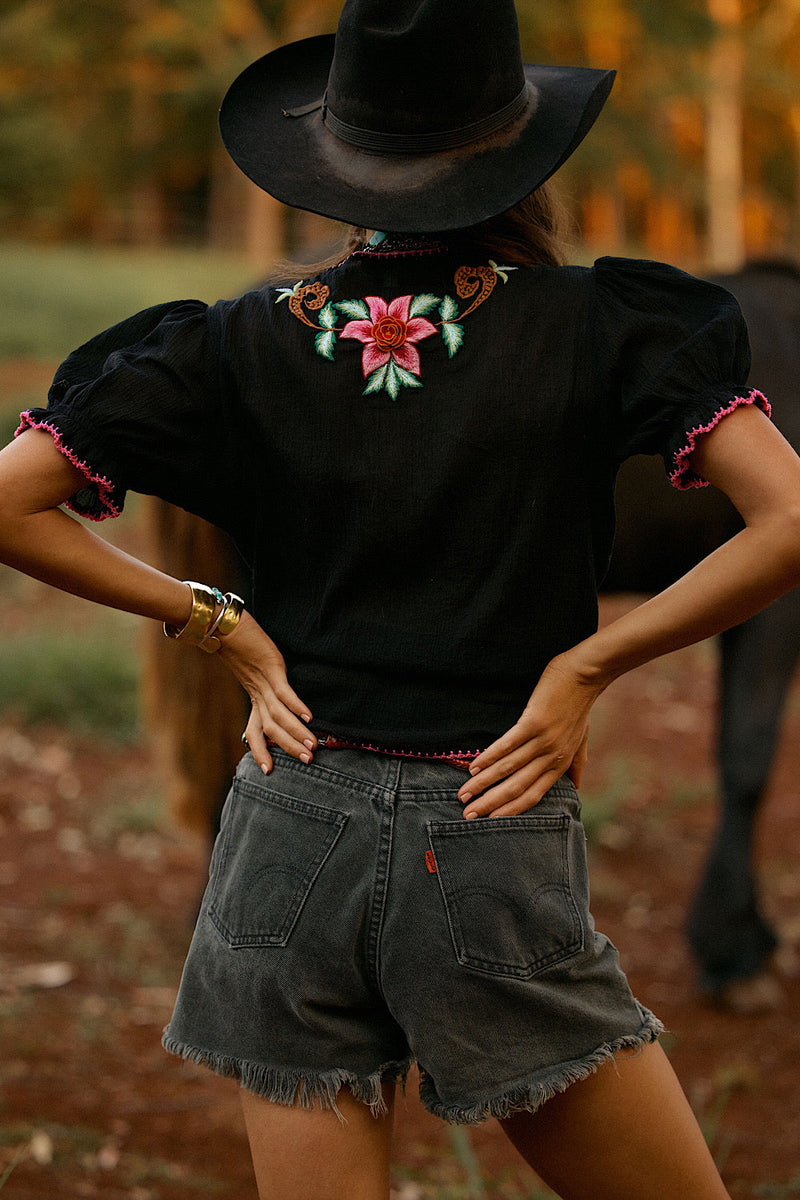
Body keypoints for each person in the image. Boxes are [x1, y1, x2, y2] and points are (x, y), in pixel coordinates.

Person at [1, 2, 799, 1197]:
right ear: (519, 152)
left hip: (280, 837)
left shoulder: (233, 344)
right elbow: (790, 518)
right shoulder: (607, 328)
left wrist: (208, 618)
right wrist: (588, 667)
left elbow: (9, 498)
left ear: (338, 159)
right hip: (487, 833)